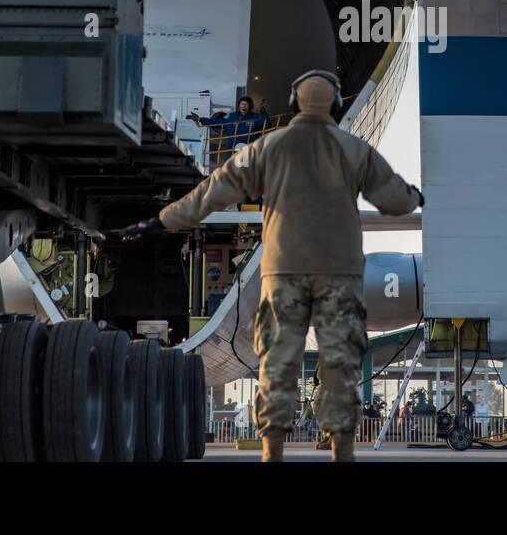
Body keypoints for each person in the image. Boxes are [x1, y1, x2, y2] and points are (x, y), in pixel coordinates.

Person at [119, 69, 422, 461]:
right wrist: (418, 197)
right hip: (338, 275)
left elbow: (210, 194)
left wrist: (160, 221)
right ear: (336, 104)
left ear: (295, 102)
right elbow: (396, 201)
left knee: (277, 365)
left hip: (284, 273)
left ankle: (272, 452)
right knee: (339, 365)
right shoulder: (353, 149)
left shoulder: (267, 148)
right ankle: (342, 452)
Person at [188, 96, 270, 166]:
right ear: (239, 106)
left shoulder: (256, 117)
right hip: (232, 150)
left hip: (247, 150)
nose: (243, 106)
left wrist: (264, 113)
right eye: (241, 104)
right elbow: (216, 123)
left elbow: (267, 126)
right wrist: (200, 119)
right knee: (227, 171)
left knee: (242, 172)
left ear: (249, 106)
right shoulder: (232, 116)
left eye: (246, 104)